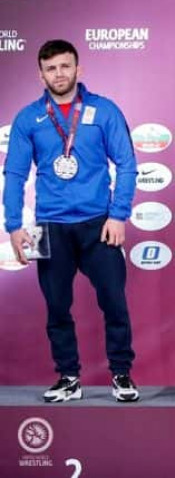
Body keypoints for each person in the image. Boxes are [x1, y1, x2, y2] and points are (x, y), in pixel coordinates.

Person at [3, 40, 140, 402]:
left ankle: (121, 373)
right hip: (48, 226)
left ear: (79, 69)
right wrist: (13, 226)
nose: (59, 74)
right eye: (51, 68)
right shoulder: (28, 118)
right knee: (56, 306)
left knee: (114, 300)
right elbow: (14, 174)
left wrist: (118, 215)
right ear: (41, 75)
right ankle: (68, 377)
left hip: (99, 224)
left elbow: (127, 164)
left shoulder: (104, 110)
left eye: (65, 66)